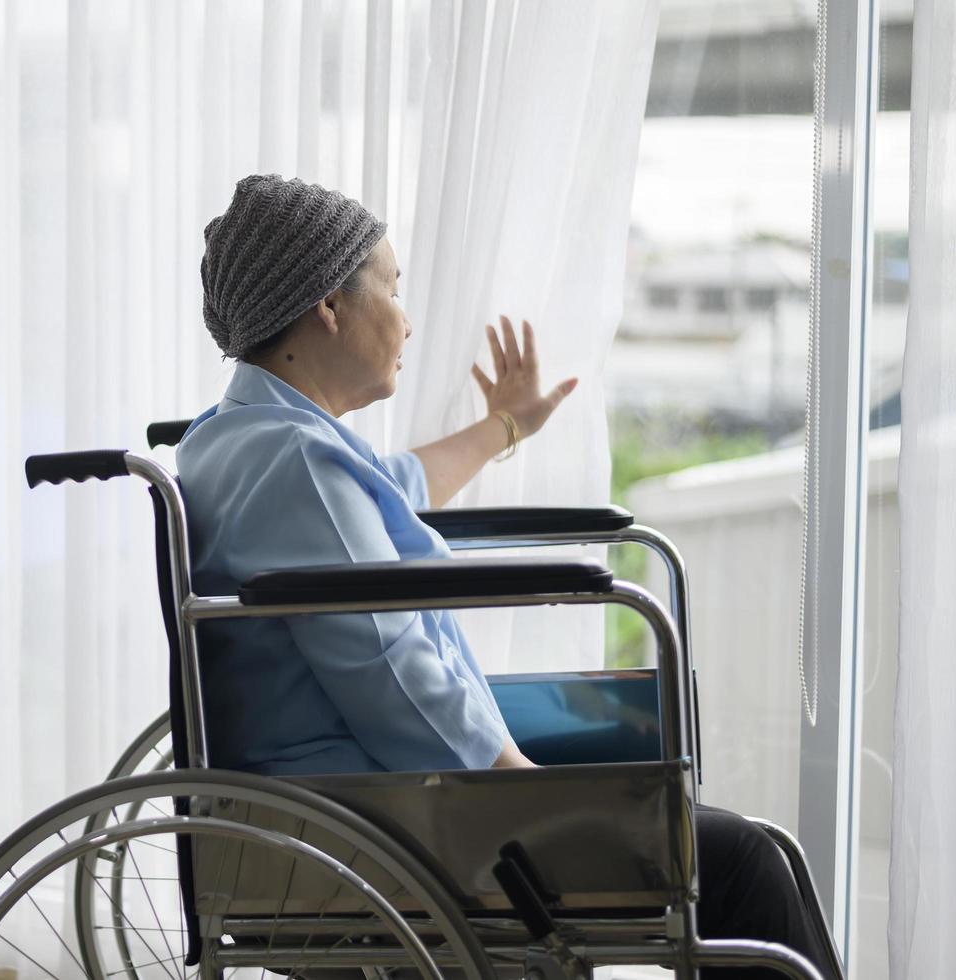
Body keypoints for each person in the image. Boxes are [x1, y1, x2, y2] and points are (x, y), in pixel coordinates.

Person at [176, 174, 839, 980]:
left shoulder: (248, 439)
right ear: (328, 306)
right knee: (743, 863)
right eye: (391, 286)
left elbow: (393, 492)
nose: (407, 320)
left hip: (352, 789)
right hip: (373, 817)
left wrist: (504, 428)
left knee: (744, 847)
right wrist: (521, 789)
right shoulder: (293, 462)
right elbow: (388, 673)